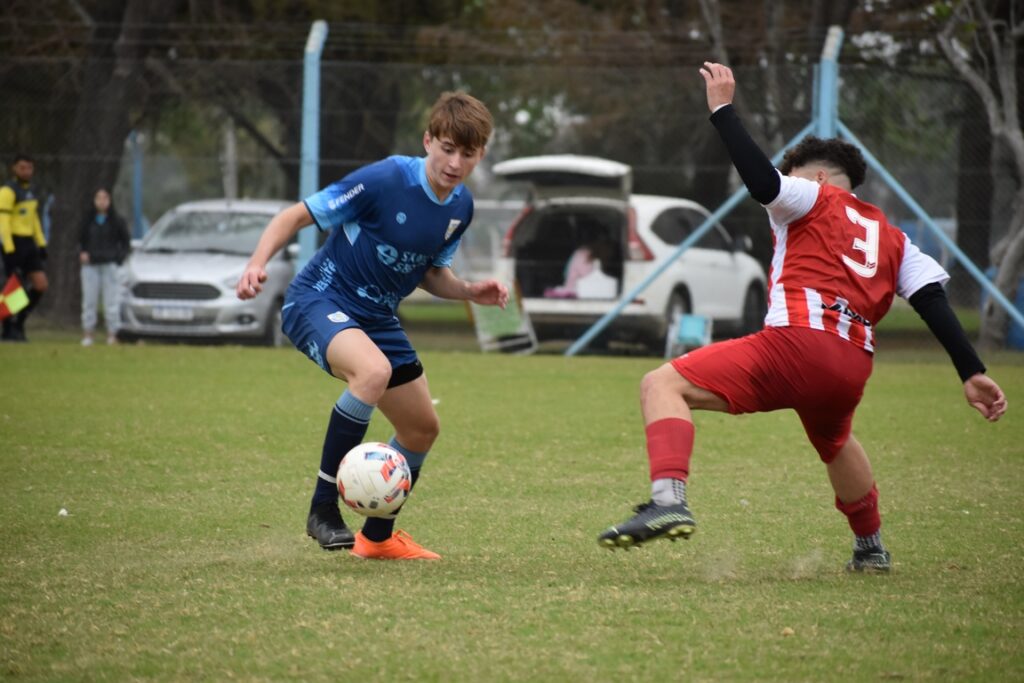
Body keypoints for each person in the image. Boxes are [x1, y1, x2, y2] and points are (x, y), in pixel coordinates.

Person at [597, 62, 1008, 572]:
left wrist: (723, 112)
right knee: (835, 439)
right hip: (853, 364)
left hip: (797, 344)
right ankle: (870, 546)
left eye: (794, 178)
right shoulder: (896, 238)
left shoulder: (812, 194)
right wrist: (972, 371)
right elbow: (931, 301)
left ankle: (667, 500)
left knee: (662, 385)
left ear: (815, 177)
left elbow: (763, 183)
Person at [237, 91, 508, 561]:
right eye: (446, 148)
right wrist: (256, 264)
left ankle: (377, 539)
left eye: (467, 153)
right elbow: (296, 215)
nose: (454, 162)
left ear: (480, 154)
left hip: (377, 318)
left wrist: (467, 290)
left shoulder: (460, 208)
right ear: (428, 141)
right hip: (319, 299)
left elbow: (428, 272)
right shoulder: (385, 180)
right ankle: (323, 510)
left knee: (422, 428)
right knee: (373, 372)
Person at [0, 153, 48, 341]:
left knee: (41, 285)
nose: (26, 171)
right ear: (14, 168)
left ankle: (19, 322)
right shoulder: (7, 191)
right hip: (14, 243)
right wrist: (9, 249)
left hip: (29, 244)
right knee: (13, 288)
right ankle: (8, 328)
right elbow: (3, 221)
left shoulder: (33, 191)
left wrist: (41, 243)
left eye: (29, 168)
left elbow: (33, 218)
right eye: (22, 168)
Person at [78, 187, 131, 346]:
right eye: (98, 198)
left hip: (109, 265)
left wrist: (117, 259)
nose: (101, 202)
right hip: (90, 266)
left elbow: (125, 243)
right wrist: (82, 253)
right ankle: (88, 333)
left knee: (111, 302)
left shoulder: (116, 221)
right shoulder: (87, 221)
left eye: (105, 198)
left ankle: (112, 334)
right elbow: (80, 241)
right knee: (89, 301)